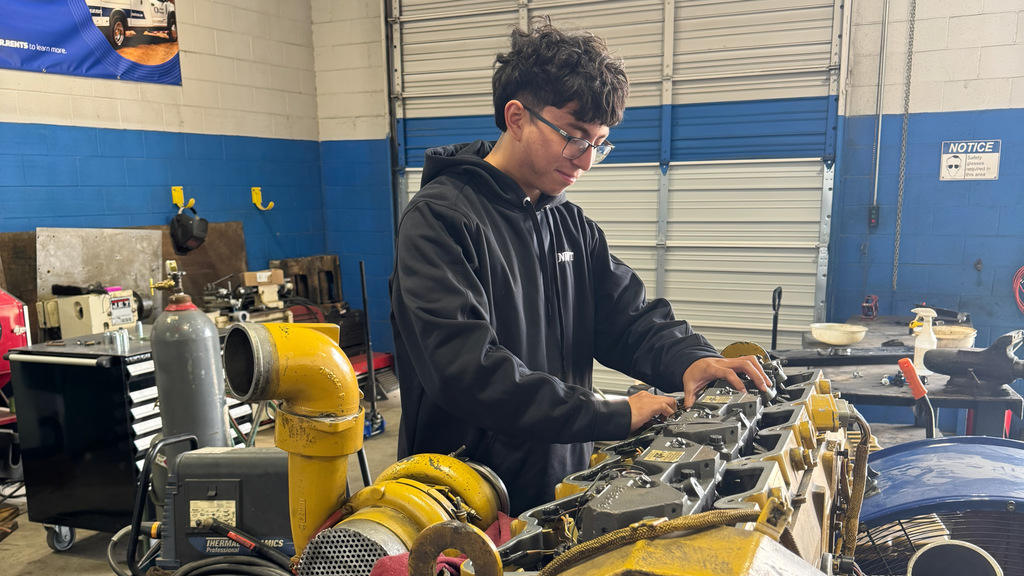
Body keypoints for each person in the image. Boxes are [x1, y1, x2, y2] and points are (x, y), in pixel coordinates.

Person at [389, 19, 772, 515]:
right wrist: (610, 414)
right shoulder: (441, 219)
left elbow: (628, 319)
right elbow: (468, 372)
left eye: (599, 142)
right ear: (516, 117)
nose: (586, 161)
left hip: (559, 486)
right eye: (574, 136)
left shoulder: (571, 227)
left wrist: (691, 359)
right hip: (462, 500)